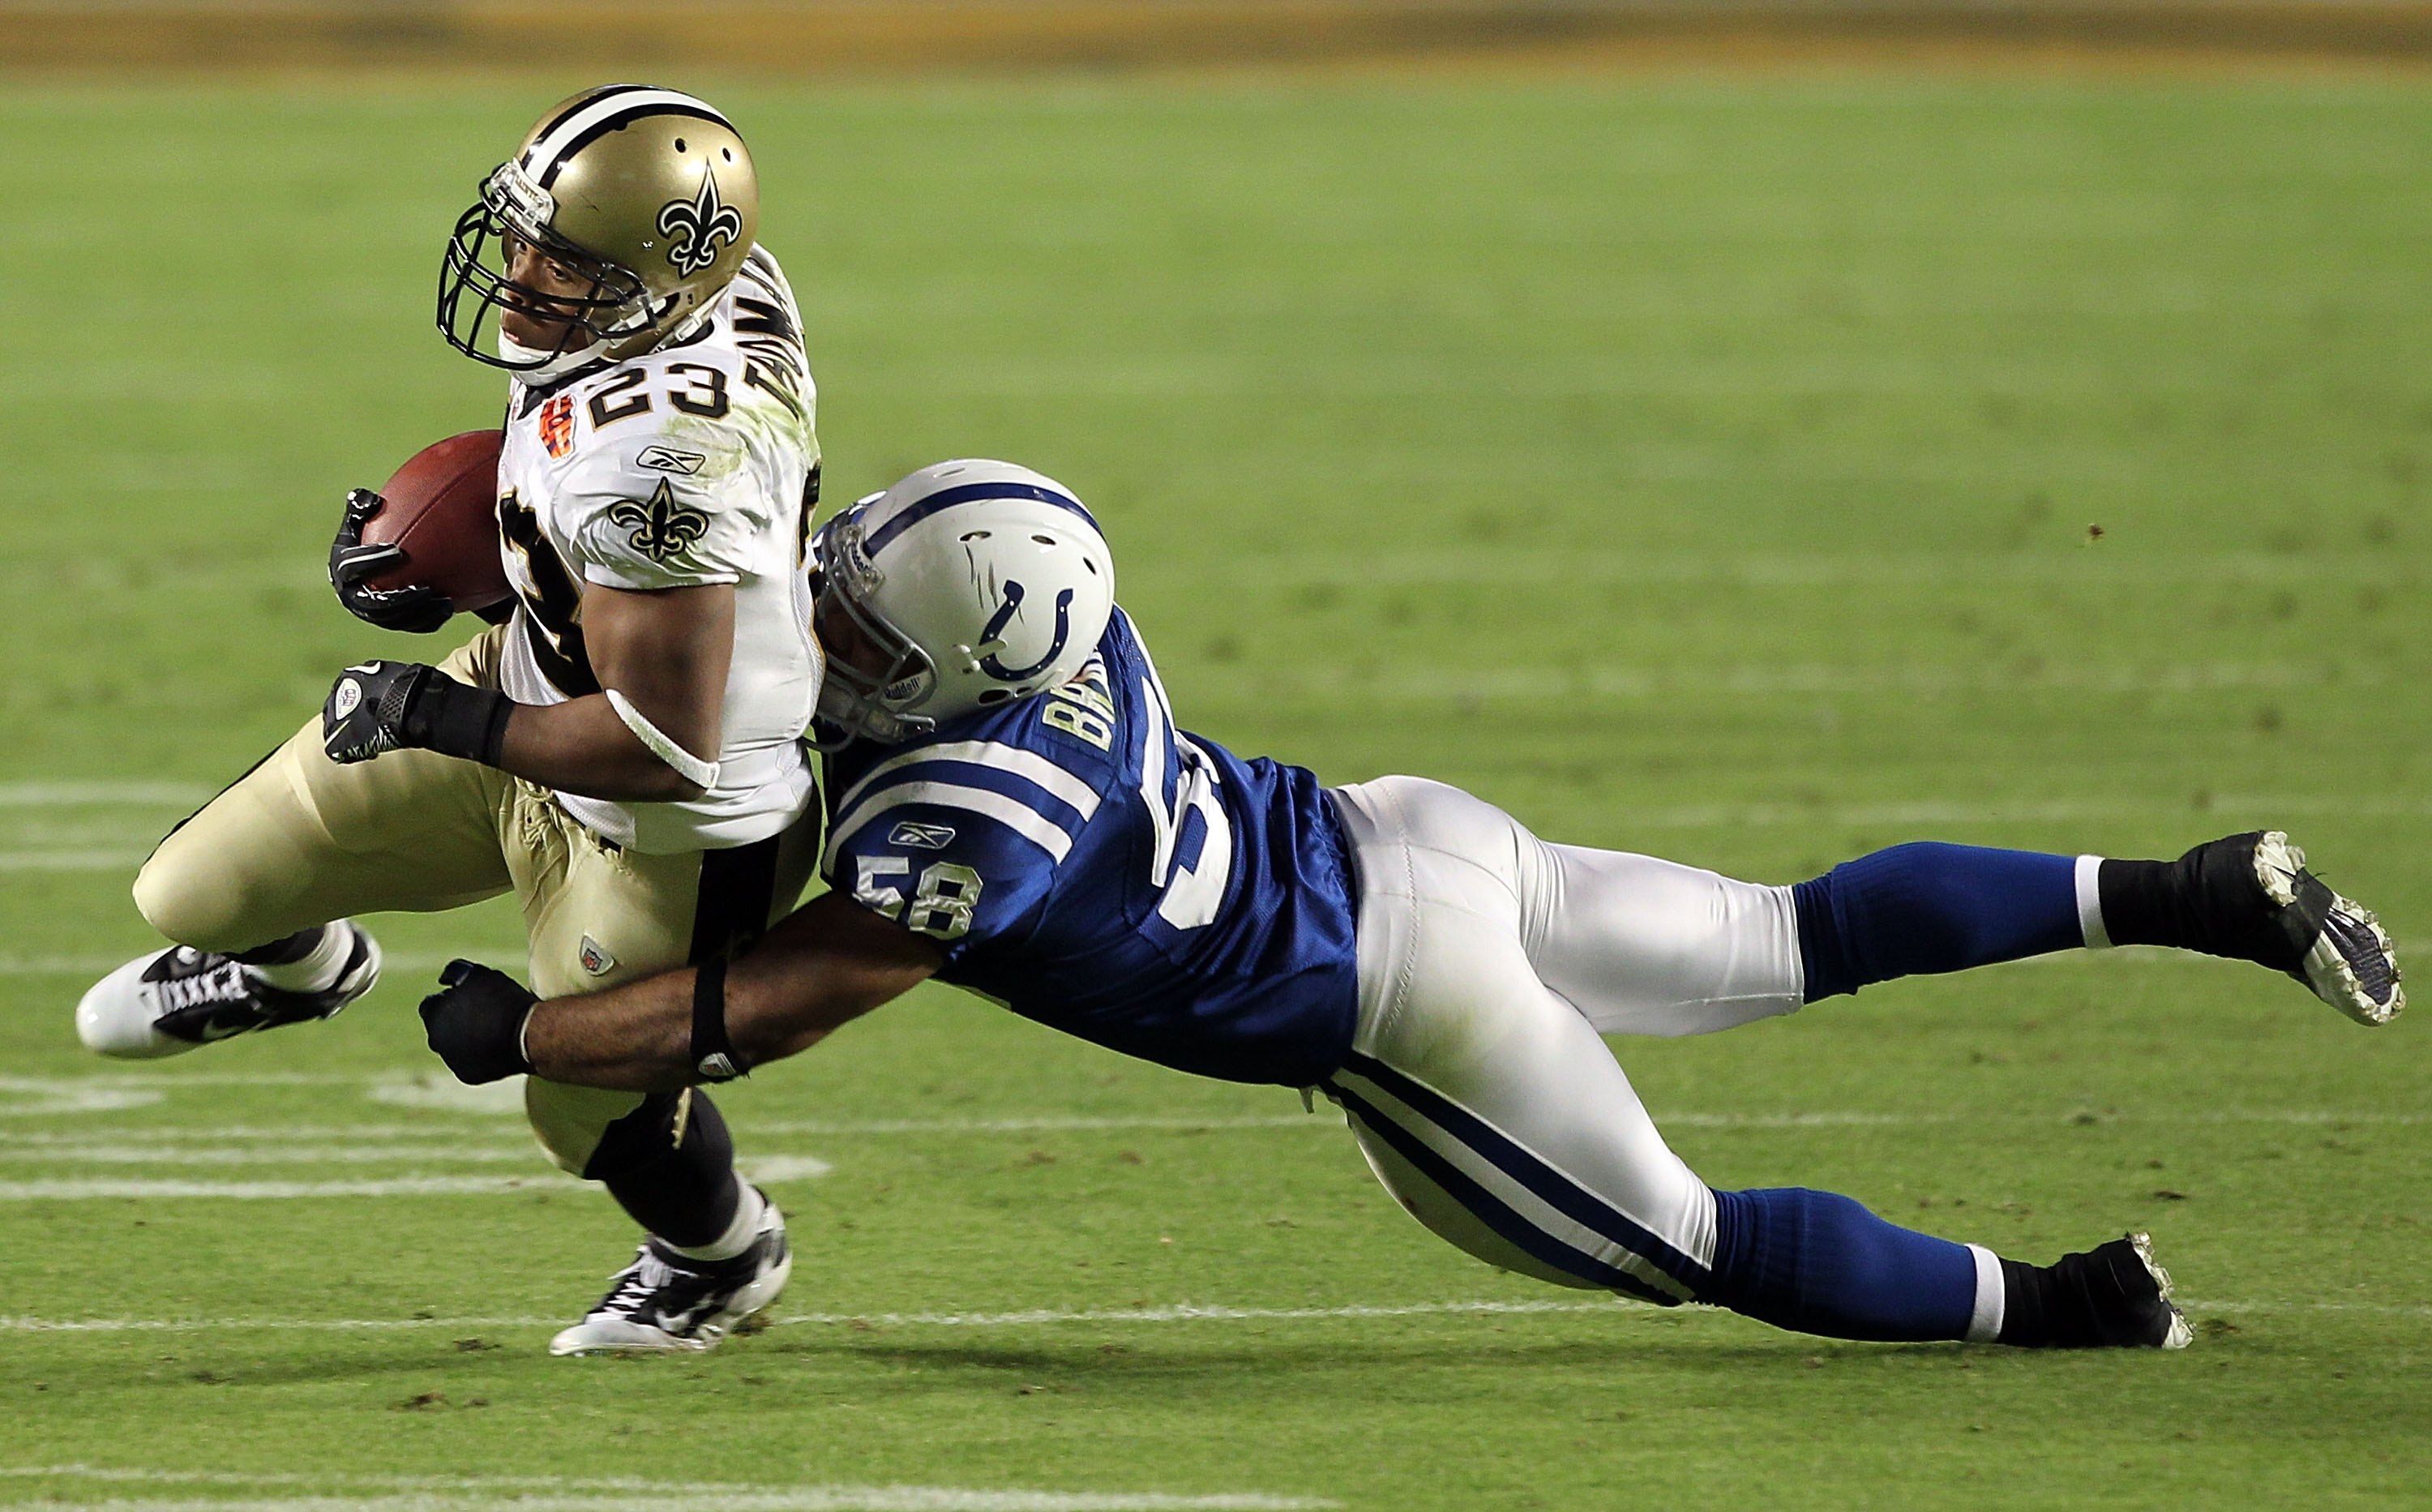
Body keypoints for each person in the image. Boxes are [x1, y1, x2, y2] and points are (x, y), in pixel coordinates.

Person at [417, 459, 2402, 1351]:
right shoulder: (1040, 627)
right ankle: (2195, 890)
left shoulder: (965, 803)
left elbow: (771, 1003)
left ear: (951, 663)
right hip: (1416, 847)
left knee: (1692, 1245)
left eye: (856, 606)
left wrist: (531, 1039)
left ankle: (2072, 1314)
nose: (824, 600)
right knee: (1790, 934)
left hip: (1392, 996)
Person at [76, 86, 828, 1356]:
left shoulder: (664, 462)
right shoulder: (693, 294)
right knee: (191, 892)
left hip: (675, 831)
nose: (523, 272)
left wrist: (438, 713)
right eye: (525, 229)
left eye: (569, 259)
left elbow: (660, 741)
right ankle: (298, 965)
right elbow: (581, 498)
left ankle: (720, 1254)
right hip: (539, 681)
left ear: (654, 282)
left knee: (581, 1112)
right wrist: (450, 554)